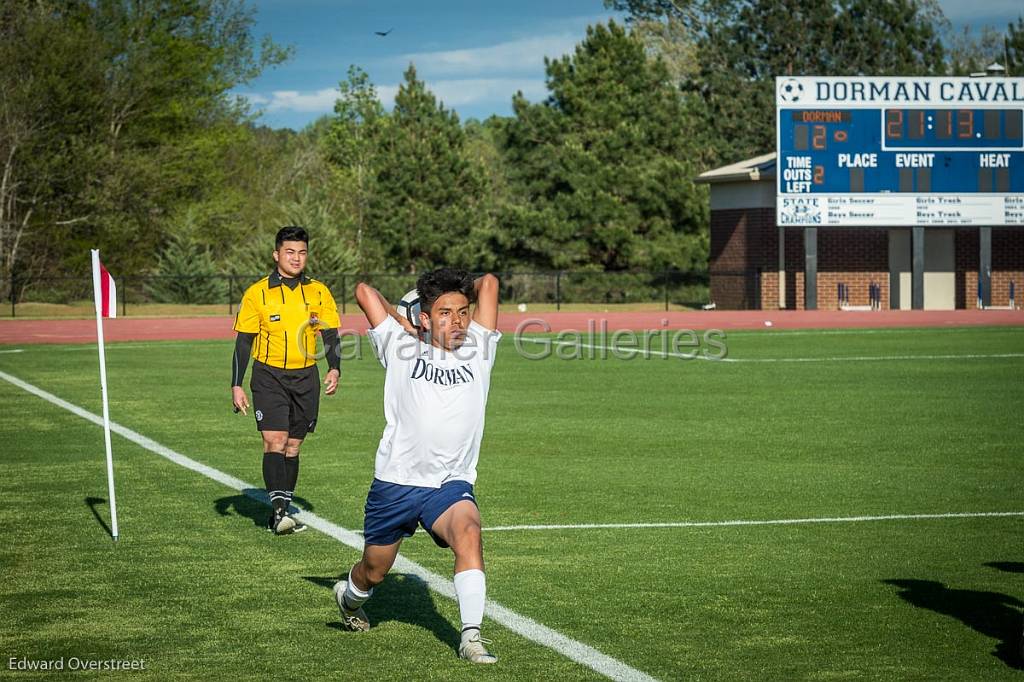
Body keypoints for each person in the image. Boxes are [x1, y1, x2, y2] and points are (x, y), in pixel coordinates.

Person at [333, 268, 501, 664]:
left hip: (449, 482)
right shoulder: (399, 344)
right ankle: (350, 597)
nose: (457, 321)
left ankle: (471, 637)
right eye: (444, 312)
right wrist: (405, 321)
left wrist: (455, 290)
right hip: (396, 483)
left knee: (469, 532)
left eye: (462, 311)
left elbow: (489, 282)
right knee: (373, 572)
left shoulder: (479, 345)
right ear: (424, 317)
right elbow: (363, 291)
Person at [231, 226, 341, 535]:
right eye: (290, 252)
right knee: (274, 441)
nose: (296, 258)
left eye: (302, 252)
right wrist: (236, 384)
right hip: (269, 376)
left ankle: (283, 508)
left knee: (293, 446)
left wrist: (334, 368)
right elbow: (244, 343)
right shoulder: (258, 292)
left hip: (306, 376)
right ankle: (279, 513)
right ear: (277, 254)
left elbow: (331, 334)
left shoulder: (319, 291)